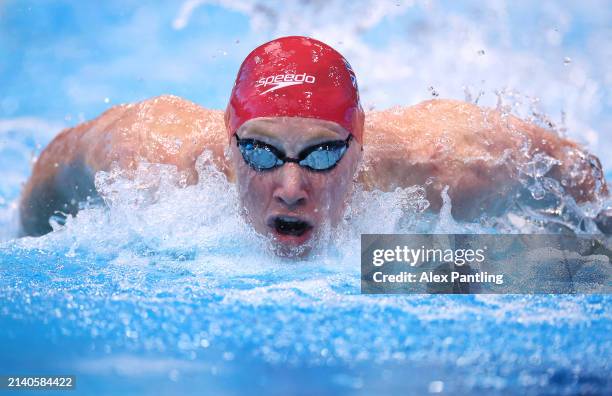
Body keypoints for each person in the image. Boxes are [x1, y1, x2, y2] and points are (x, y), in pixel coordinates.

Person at [19, 36, 609, 251]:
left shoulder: (447, 166)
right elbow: (51, 176)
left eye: (324, 153)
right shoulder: (150, 153)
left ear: (360, 144)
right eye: (260, 152)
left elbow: (579, 177)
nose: (292, 188)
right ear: (227, 141)